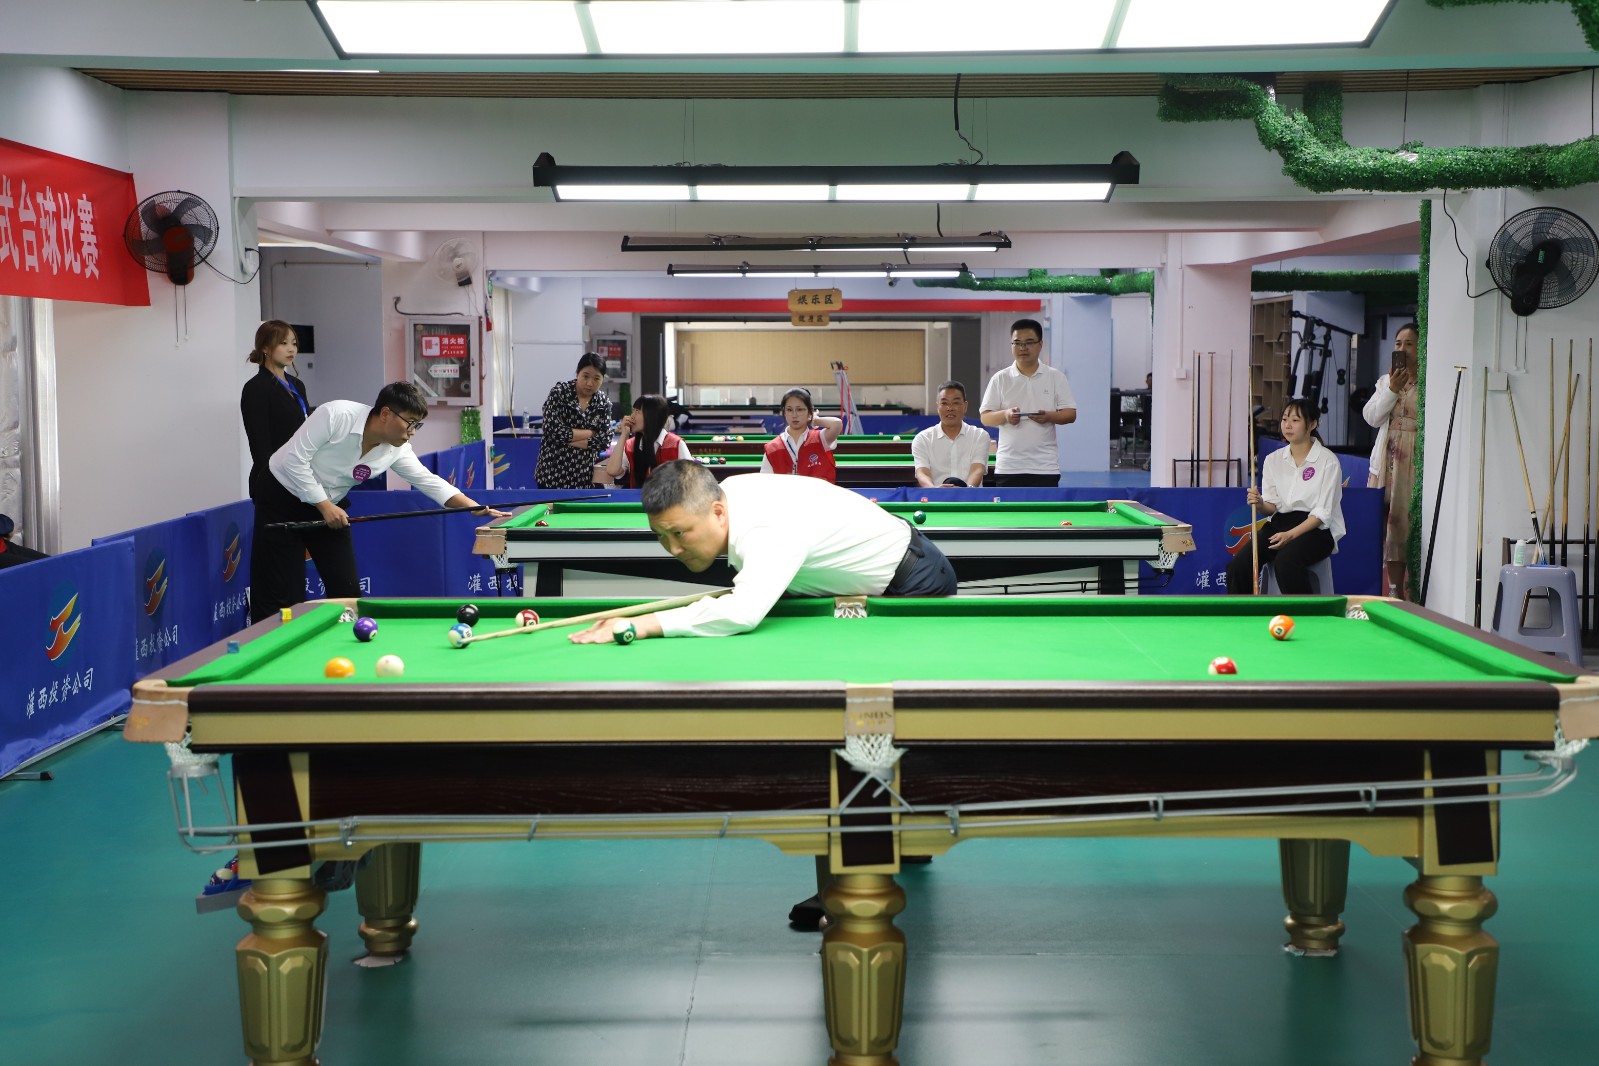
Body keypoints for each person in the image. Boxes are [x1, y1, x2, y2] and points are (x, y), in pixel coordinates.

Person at [570, 460, 957, 642]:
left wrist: (644, 624)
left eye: (679, 533)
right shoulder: (727, 493)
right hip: (884, 564)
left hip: (916, 580)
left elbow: (743, 613)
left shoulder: (764, 528)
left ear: (717, 512)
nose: (672, 548)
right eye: (660, 536)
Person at [259, 382, 503, 616]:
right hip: (283, 495)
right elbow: (294, 461)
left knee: (347, 591)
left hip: (330, 505)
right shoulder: (336, 415)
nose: (412, 432)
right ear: (385, 413)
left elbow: (428, 480)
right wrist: (323, 505)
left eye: (418, 425)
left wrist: (472, 506)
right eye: (410, 422)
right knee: (281, 593)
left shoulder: (396, 449)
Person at [1226, 398, 1345, 595]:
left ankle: (1306, 613)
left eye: (1295, 420)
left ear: (1312, 424)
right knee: (1238, 565)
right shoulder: (1273, 460)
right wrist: (1260, 503)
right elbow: (1272, 506)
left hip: (1317, 530)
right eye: (1284, 419)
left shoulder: (1328, 461)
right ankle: (1243, 612)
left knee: (1286, 563)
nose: (1288, 425)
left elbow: (1321, 515)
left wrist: (1290, 535)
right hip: (1280, 524)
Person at [241, 320, 314, 622]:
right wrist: (279, 484)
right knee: (273, 569)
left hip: (300, 485)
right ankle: (265, 631)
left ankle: (293, 629)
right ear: (265, 348)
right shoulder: (255, 389)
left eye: (294, 343)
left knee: (294, 570)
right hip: (272, 486)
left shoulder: (297, 386)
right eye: (283, 343)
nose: (291, 349)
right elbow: (260, 448)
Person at [979, 318, 1077, 486]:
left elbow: (1070, 414)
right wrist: (1005, 415)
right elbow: (985, 417)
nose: (1022, 348)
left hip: (1045, 467)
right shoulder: (1000, 378)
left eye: (1029, 342)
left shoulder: (1055, 377)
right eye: (1017, 343)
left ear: (1040, 345)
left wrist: (1049, 416)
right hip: (1009, 467)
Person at [1363, 322, 1420, 599]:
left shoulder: (1429, 381)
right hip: (1387, 458)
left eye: (1409, 344)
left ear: (1420, 348)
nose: (1403, 349)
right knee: (1388, 525)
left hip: (1415, 462)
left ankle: (1414, 587)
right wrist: (1392, 389)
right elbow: (1372, 417)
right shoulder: (1386, 381)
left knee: (1407, 525)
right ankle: (1394, 589)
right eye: (1398, 344)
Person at [535, 353, 614, 489]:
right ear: (577, 373)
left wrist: (565, 438)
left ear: (603, 379)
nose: (590, 383)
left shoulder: (603, 402)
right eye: (585, 376)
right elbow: (552, 431)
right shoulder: (559, 393)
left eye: (596, 378)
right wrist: (591, 433)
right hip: (551, 475)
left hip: (585, 478)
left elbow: (604, 440)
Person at [602, 393, 693, 489]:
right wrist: (624, 434)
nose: (631, 416)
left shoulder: (676, 444)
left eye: (637, 411)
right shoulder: (630, 445)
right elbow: (612, 471)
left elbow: (691, 479)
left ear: (652, 416)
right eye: (633, 411)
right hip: (638, 499)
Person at [911, 380, 991, 488]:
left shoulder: (980, 436)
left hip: (970, 496)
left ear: (965, 406)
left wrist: (966, 491)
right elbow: (922, 473)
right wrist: (935, 491)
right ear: (937, 407)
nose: (950, 408)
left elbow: (977, 469)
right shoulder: (922, 439)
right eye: (944, 403)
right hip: (936, 497)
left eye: (956, 403)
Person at [761, 387, 842, 482]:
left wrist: (814, 420)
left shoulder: (821, 438)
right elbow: (765, 483)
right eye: (789, 410)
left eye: (800, 410)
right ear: (784, 412)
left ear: (809, 412)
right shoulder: (772, 448)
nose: (794, 415)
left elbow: (836, 424)